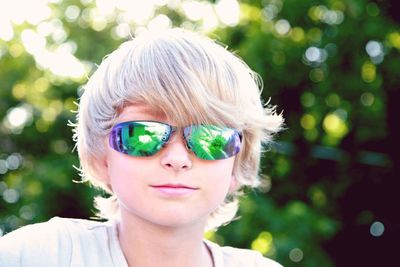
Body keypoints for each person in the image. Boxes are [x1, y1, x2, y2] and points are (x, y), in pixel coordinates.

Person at [0, 28, 284, 267]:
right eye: (143, 134)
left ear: (236, 162)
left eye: (210, 137)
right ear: (102, 157)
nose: (177, 159)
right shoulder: (40, 255)